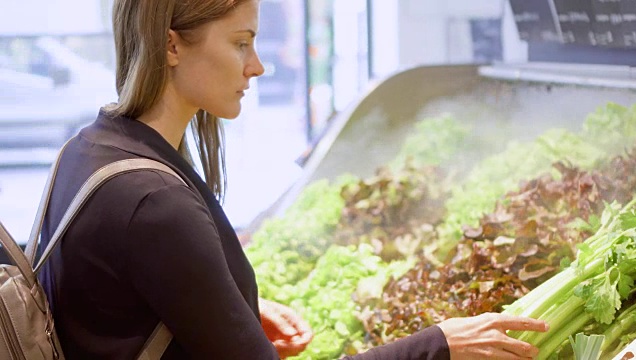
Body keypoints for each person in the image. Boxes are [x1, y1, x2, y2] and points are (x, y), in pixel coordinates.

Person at [38, 0, 549, 359]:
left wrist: (221, 310)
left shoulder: (85, 151)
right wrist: (439, 345)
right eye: (241, 43)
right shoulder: (153, 201)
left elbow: (116, 310)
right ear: (171, 45)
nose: (256, 66)